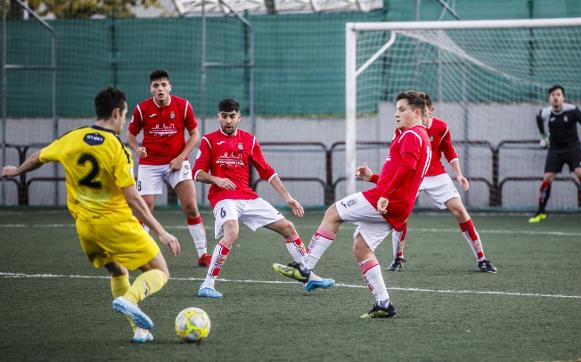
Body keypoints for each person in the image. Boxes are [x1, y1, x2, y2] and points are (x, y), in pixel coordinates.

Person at [1, 87, 181, 343]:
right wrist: (161, 232)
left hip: (85, 227)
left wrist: (16, 170)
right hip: (116, 223)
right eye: (125, 115)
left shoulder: (72, 137)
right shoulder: (117, 148)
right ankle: (130, 299)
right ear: (116, 113)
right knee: (161, 271)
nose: (126, 121)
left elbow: (39, 157)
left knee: (118, 271)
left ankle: (139, 331)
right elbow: (133, 199)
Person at [273, 90, 432, 319]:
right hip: (397, 202)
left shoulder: (412, 135)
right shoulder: (417, 137)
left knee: (333, 212)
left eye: (402, 109)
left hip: (386, 199)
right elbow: (405, 174)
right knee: (361, 248)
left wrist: (385, 193)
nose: (396, 114)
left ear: (417, 112)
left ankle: (305, 267)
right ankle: (384, 304)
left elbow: (407, 168)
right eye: (396, 109)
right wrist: (373, 178)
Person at [192, 98, 335, 298]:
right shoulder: (209, 140)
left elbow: (267, 172)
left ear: (239, 117)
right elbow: (197, 173)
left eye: (232, 116)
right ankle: (207, 285)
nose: (228, 121)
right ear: (218, 117)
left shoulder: (249, 140)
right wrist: (217, 179)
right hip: (223, 197)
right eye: (224, 116)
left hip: (248, 197)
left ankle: (308, 277)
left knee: (288, 228)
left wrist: (288, 197)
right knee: (232, 232)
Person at [357, 96, 497, 273]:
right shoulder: (404, 130)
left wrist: (459, 175)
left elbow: (450, 152)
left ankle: (481, 258)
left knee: (460, 211)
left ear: (429, 110)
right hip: (413, 175)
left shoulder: (442, 127)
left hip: (437, 175)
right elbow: (396, 163)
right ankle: (398, 258)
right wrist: (374, 178)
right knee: (402, 215)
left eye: (424, 110)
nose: (420, 114)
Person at [127, 69, 210, 267]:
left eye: (164, 85)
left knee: (190, 206)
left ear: (170, 87)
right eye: (156, 85)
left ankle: (203, 255)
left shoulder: (183, 106)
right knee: (145, 207)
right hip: (150, 165)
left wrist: (181, 157)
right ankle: (140, 252)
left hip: (177, 163)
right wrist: (137, 147)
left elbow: (195, 135)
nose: (160, 89)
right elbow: (130, 135)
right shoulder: (141, 109)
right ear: (151, 89)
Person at [529, 85, 581, 223]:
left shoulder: (572, 110)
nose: (555, 97)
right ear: (549, 98)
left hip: (573, 148)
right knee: (547, 179)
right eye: (553, 95)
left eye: (558, 94)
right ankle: (540, 211)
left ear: (563, 97)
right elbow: (538, 118)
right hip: (555, 150)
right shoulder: (545, 113)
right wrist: (543, 136)